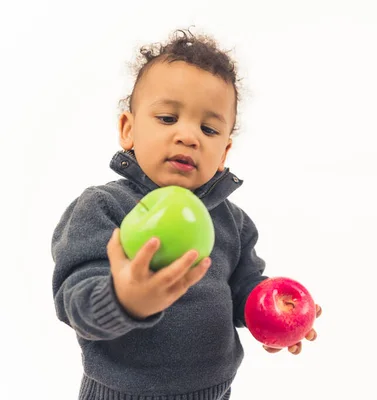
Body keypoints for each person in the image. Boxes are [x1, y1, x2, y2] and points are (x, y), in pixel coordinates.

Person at [51, 28, 322, 400]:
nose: (189, 136)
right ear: (128, 129)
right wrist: (124, 298)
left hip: (212, 392)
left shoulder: (233, 222)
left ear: (224, 152)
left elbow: (243, 286)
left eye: (208, 128)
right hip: (122, 393)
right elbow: (73, 301)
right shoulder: (103, 208)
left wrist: (270, 308)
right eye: (167, 118)